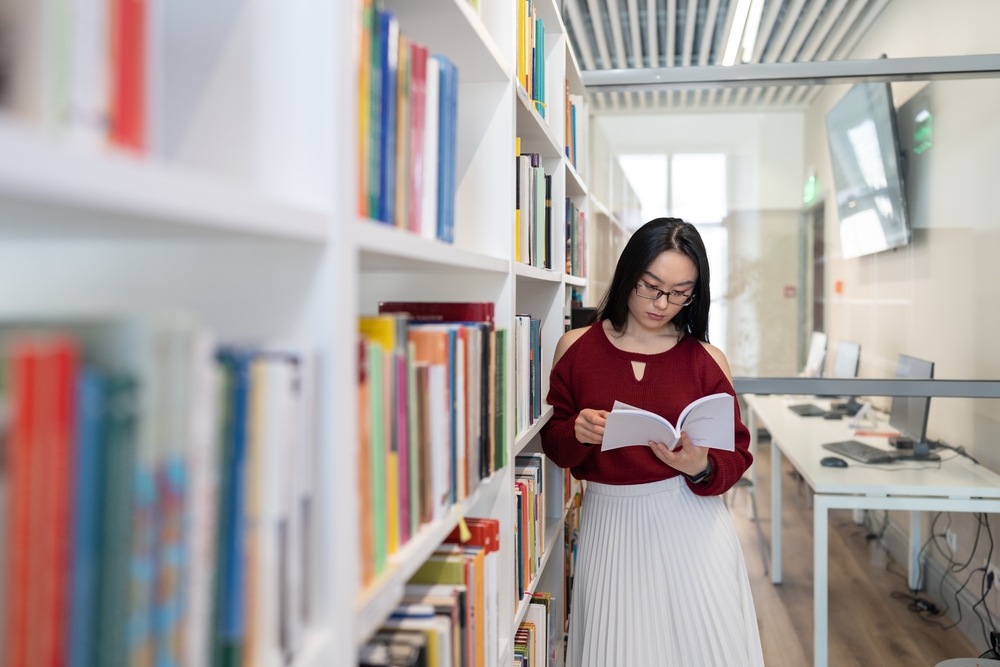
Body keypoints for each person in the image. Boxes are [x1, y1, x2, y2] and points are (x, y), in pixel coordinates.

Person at [541, 218, 764, 667]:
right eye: (651, 286)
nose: (663, 303)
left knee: (708, 650)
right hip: (611, 522)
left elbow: (736, 456)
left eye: (681, 292)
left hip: (694, 526)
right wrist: (577, 432)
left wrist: (700, 465)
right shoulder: (576, 348)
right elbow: (555, 444)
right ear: (628, 274)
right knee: (618, 650)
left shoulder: (706, 360)